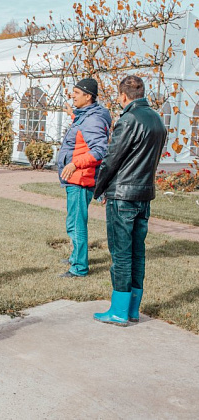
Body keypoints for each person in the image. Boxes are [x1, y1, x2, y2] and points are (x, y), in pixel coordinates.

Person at [93, 75, 166, 326]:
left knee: (121, 254)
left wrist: (99, 188)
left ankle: (119, 311)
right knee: (138, 253)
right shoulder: (157, 119)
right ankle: (133, 309)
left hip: (122, 196)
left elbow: (112, 159)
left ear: (123, 96)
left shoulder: (128, 120)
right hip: (144, 195)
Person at [57, 78, 111, 277]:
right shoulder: (86, 116)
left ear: (88, 97)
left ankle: (79, 268)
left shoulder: (93, 119)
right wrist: (71, 114)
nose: (73, 96)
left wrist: (74, 164)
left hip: (81, 179)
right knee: (73, 223)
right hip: (76, 179)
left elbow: (100, 150)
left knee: (77, 225)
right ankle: (75, 257)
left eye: (77, 93)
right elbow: (83, 134)